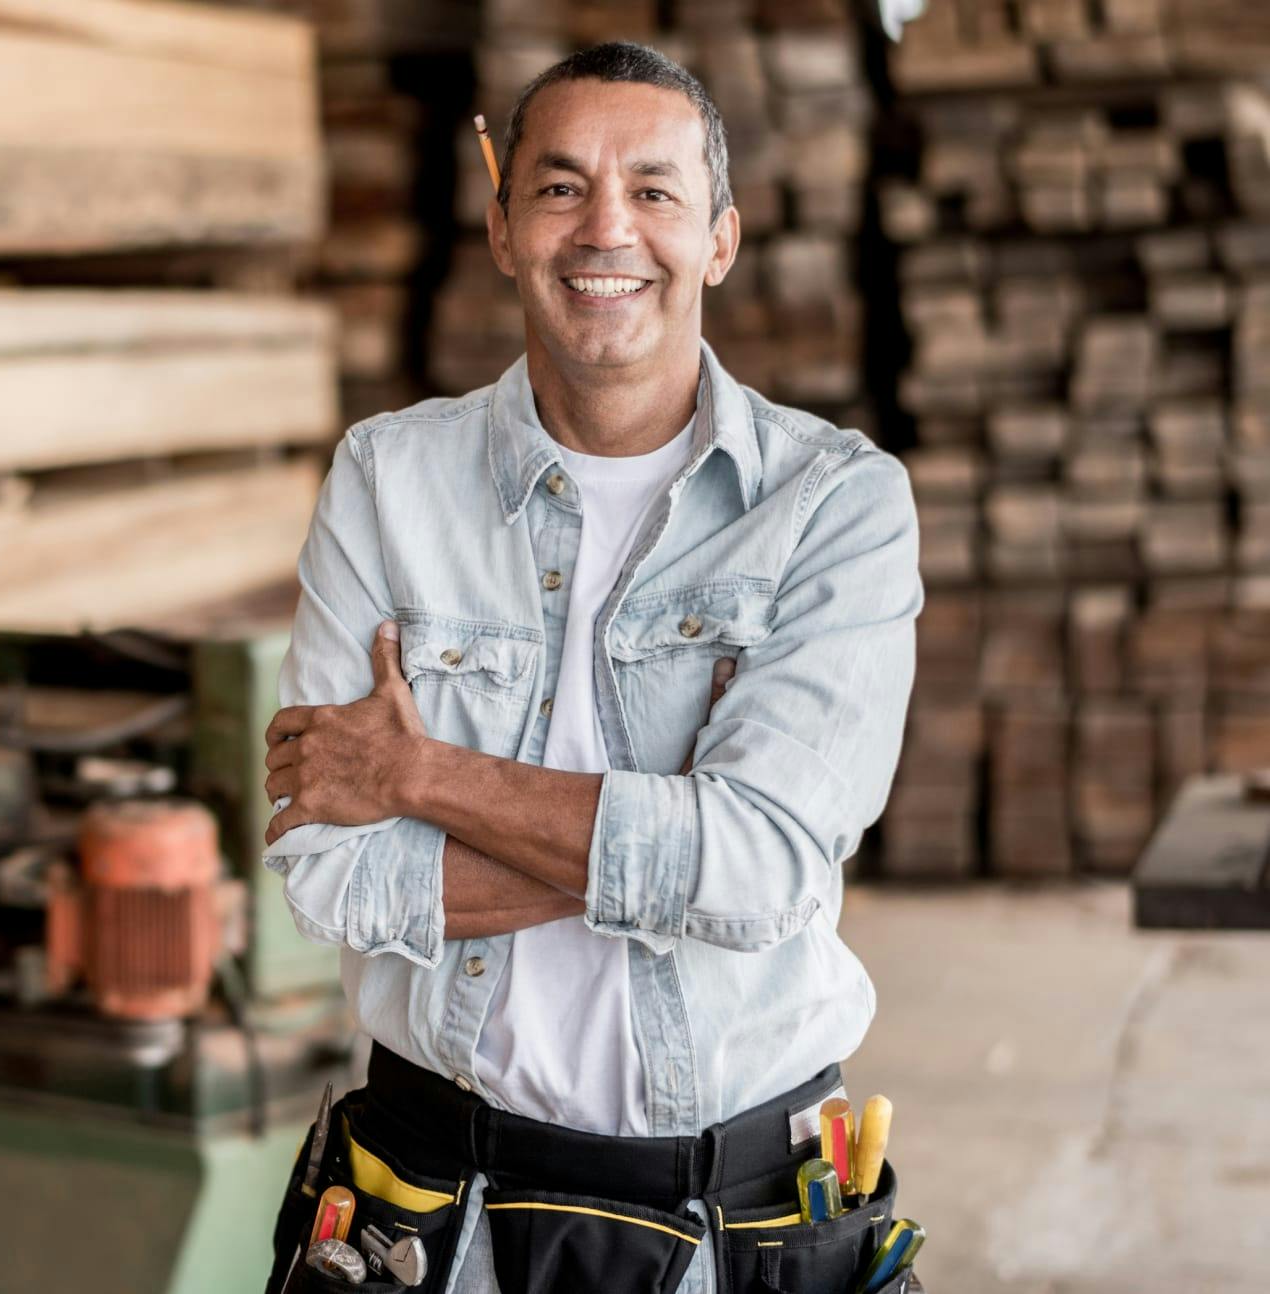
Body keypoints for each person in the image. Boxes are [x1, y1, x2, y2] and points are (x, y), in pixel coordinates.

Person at [260, 41, 922, 1294]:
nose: (604, 228)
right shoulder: (387, 482)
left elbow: (767, 860)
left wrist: (419, 772)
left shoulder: (836, 505)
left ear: (719, 238)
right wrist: (680, 835)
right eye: (558, 187)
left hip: (742, 1211)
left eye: (655, 191)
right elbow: (325, 872)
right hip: (425, 1203)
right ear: (503, 226)